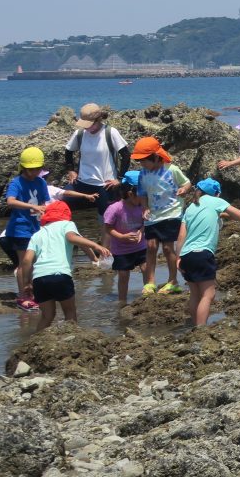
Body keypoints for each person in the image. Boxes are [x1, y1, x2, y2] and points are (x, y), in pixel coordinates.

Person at [19, 201, 110, 331]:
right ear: (66, 214)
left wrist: (27, 283)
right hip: (60, 275)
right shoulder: (67, 224)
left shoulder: (37, 234)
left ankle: (36, 340)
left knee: (47, 316)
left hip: (39, 278)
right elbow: (72, 238)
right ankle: (73, 339)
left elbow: (26, 260)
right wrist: (96, 246)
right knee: (70, 313)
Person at [176, 178, 240, 327]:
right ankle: (201, 329)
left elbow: (181, 236)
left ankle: (195, 325)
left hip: (186, 254)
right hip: (203, 253)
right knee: (208, 295)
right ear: (217, 193)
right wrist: (221, 211)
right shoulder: (216, 201)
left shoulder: (190, 207)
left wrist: (178, 258)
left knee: (195, 294)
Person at [133, 136, 192, 295]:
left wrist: (184, 190)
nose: (142, 164)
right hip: (153, 215)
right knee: (151, 247)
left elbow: (186, 183)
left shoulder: (171, 169)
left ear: (156, 157)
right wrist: (145, 207)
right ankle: (150, 282)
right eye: (140, 161)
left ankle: (173, 281)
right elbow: (142, 194)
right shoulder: (143, 174)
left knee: (167, 248)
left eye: (144, 160)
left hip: (172, 213)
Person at [0, 147, 54, 312]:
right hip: (20, 229)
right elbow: (10, 201)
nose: (34, 172)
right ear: (23, 167)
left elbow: (44, 203)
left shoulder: (41, 182)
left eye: (37, 169)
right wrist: (32, 206)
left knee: (35, 263)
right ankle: (23, 296)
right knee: (24, 263)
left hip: (36, 228)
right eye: (31, 169)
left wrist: (44, 215)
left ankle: (32, 292)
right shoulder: (16, 182)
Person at [62, 103, 130, 214]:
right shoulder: (79, 134)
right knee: (62, 202)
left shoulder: (110, 132)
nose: (86, 127)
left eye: (89, 124)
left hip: (105, 185)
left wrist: (120, 179)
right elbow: (68, 151)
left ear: (98, 120)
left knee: (106, 215)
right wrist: (71, 170)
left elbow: (126, 155)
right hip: (82, 182)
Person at [103, 171, 149, 306]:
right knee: (123, 275)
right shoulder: (115, 208)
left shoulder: (142, 207)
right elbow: (108, 228)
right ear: (130, 194)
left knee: (146, 269)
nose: (144, 198)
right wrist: (122, 236)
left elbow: (145, 223)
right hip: (121, 249)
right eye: (141, 195)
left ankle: (148, 296)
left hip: (141, 246)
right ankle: (122, 301)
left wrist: (141, 231)